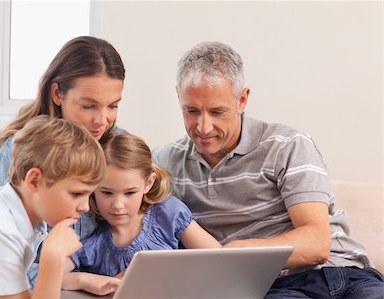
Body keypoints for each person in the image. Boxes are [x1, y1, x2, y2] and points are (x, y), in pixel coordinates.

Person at [152, 41, 384, 298]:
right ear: (178, 97)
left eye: (218, 112)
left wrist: (239, 251)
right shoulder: (165, 162)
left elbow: (317, 243)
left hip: (341, 273)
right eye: (191, 111)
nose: (203, 127)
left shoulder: (287, 146)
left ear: (242, 99)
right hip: (274, 288)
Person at [0, 35, 125, 283]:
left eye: (113, 106)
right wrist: (75, 279)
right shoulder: (17, 153)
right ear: (57, 94)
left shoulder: (119, 147)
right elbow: (3, 264)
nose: (102, 121)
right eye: (89, 106)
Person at [0, 115, 106, 298]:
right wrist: (53, 258)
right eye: (76, 194)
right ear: (34, 181)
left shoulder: (2, 203)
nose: (85, 207)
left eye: (89, 194)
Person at [61, 133, 221, 296]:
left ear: (148, 183)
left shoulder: (168, 214)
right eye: (107, 193)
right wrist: (85, 280)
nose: (117, 205)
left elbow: (220, 260)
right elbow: (47, 274)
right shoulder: (92, 245)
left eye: (129, 193)